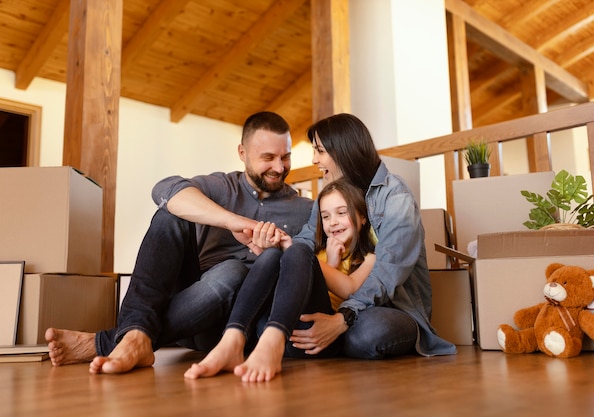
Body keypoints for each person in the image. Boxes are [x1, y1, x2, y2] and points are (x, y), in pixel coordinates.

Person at [45, 111, 313, 374]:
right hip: (191, 303)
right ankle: (135, 333)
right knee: (170, 214)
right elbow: (164, 190)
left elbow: (311, 270)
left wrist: (280, 251)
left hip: (236, 323)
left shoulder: (305, 210)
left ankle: (117, 340)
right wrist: (234, 222)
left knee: (234, 271)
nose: (279, 168)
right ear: (242, 153)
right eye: (268, 158)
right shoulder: (221, 187)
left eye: (285, 157)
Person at [286, 113, 457, 359]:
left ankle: (334, 337)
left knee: (368, 334)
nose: (314, 160)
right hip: (342, 303)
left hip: (394, 309)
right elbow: (305, 240)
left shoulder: (396, 198)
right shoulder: (331, 194)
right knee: (288, 330)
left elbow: (386, 275)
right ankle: (328, 338)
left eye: (320, 151)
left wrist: (343, 317)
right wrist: (283, 246)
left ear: (343, 150)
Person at [183, 179, 376, 381]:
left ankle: (271, 340)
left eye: (341, 213)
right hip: (272, 327)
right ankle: (233, 338)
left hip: (314, 338)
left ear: (362, 217)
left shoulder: (369, 259)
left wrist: (329, 262)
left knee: (298, 250)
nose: (333, 222)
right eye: (325, 217)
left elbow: (350, 289)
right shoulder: (318, 252)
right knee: (271, 255)